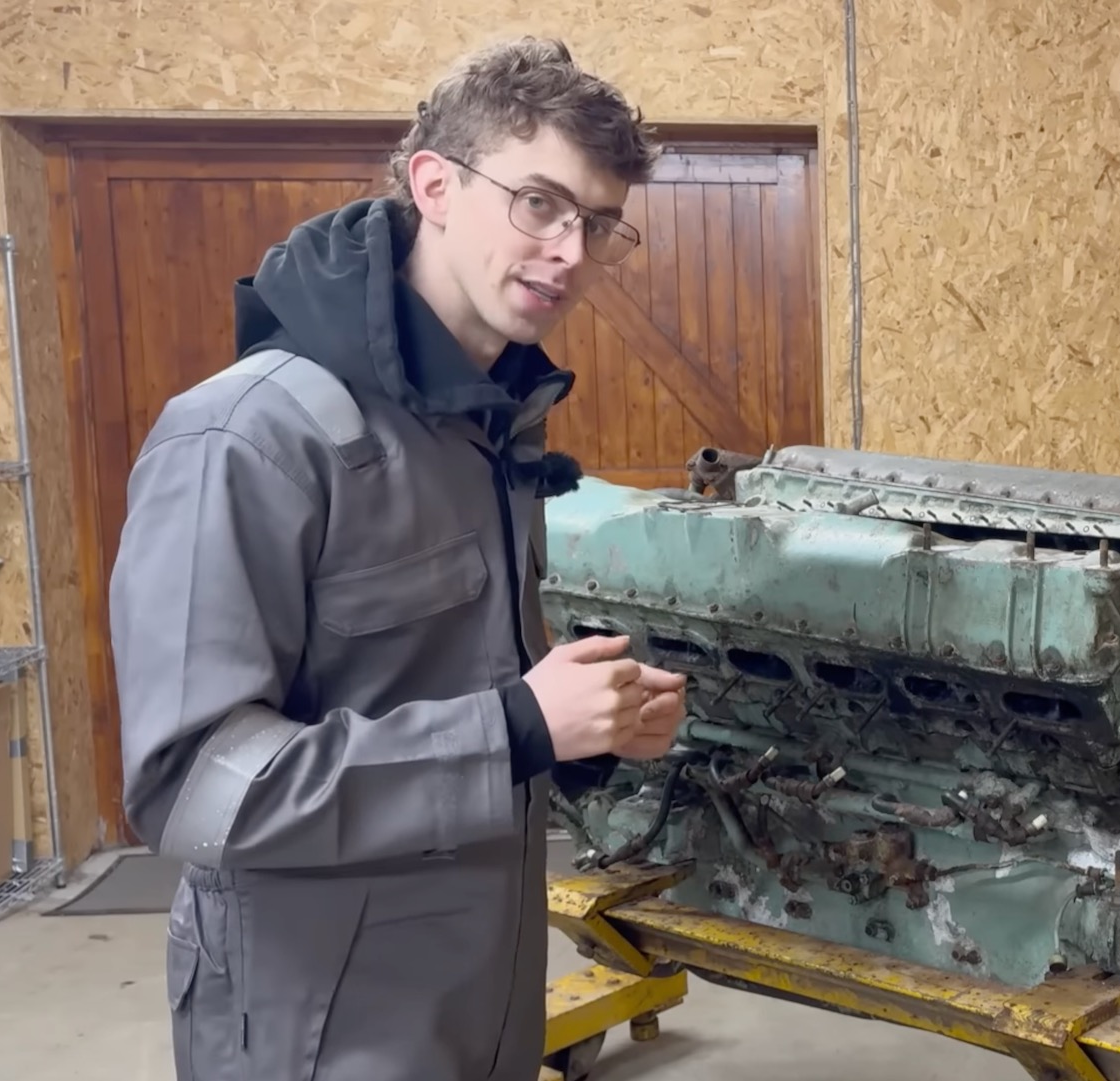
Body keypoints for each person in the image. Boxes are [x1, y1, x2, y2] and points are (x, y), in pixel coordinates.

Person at [107, 37, 687, 1081]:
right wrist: (516, 726)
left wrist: (579, 734)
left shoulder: (490, 426)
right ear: (436, 184)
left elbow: (447, 692)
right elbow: (195, 783)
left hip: (481, 996)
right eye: (542, 204)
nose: (571, 251)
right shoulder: (246, 437)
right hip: (317, 1021)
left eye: (598, 224)